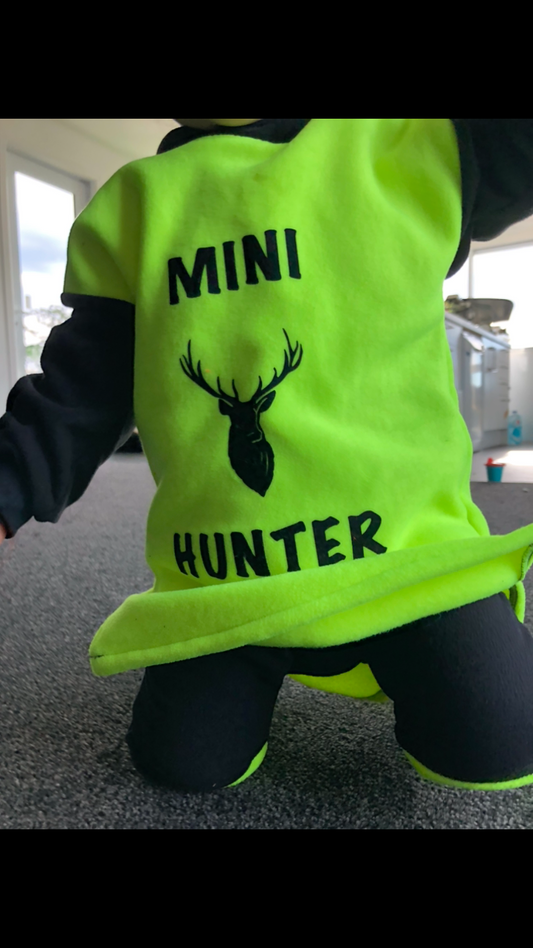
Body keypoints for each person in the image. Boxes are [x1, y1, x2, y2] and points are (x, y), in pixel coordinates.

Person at [3, 118, 533, 793]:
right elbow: (85, 385)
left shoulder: (419, 141)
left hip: (412, 568)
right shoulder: (132, 204)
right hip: (225, 586)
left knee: (502, 743)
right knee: (181, 764)